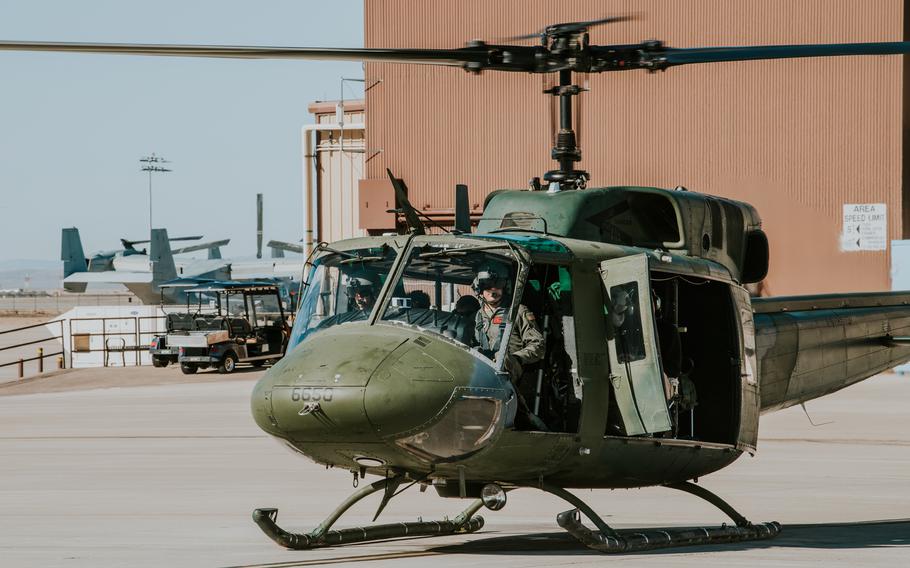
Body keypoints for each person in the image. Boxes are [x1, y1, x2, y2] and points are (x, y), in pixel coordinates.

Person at [473, 265, 545, 383]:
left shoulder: (518, 311)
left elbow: (538, 345)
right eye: (487, 285)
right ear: (479, 288)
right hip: (485, 377)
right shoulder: (478, 316)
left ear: (505, 287)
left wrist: (516, 359)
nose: (493, 290)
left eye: (498, 285)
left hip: (513, 380)